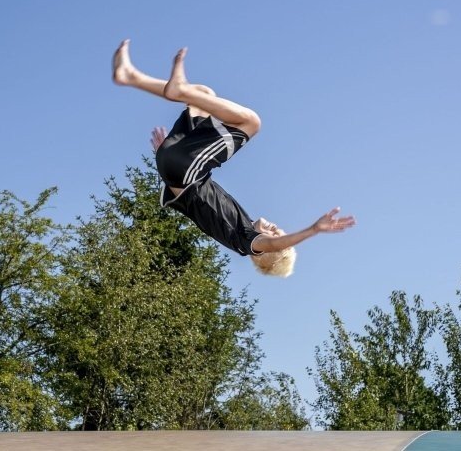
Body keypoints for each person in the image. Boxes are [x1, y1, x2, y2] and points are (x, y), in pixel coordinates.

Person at [112, 39, 355, 277]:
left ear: (262, 254)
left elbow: (275, 244)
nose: (275, 228)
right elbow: (190, 201)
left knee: (251, 122)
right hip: (177, 168)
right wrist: (165, 155)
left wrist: (314, 229)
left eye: (275, 235)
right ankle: (130, 76)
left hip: (185, 171)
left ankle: (174, 89)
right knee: (202, 94)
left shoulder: (246, 240)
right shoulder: (238, 224)